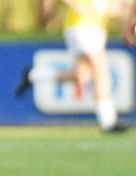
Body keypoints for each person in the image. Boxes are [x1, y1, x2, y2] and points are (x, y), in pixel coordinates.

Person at [16, 0, 128, 132]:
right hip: (84, 27)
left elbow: (113, 10)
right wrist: (77, 5)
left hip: (90, 30)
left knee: (80, 76)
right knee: (101, 72)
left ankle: (33, 75)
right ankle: (108, 121)